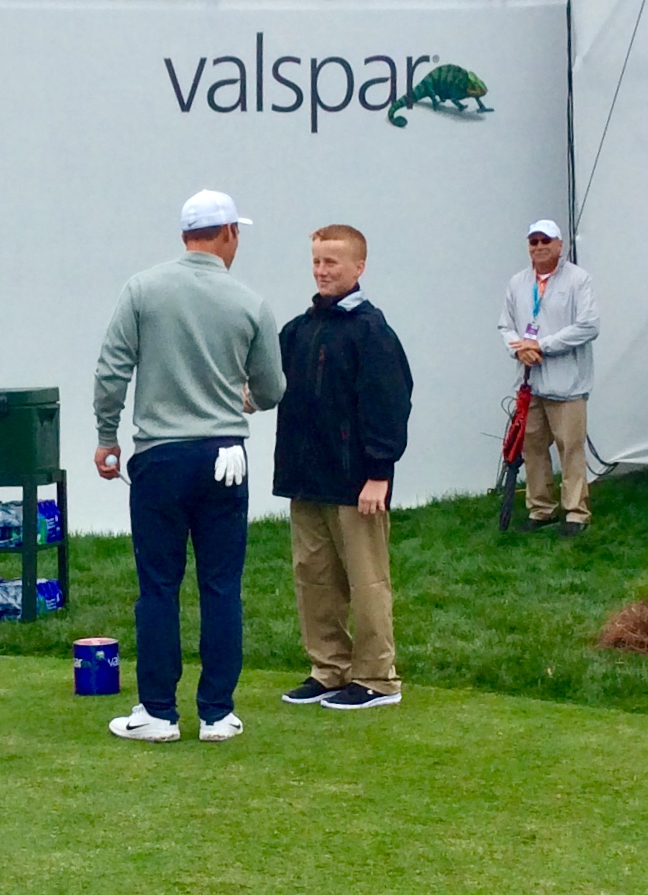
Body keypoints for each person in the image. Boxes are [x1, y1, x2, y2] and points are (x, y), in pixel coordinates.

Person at [93, 189, 285, 743]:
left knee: (158, 586)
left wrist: (106, 436)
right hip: (225, 453)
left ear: (185, 235)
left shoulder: (143, 289)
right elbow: (272, 388)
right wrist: (245, 399)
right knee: (222, 585)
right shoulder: (249, 301)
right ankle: (217, 713)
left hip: (159, 454)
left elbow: (111, 370)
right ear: (229, 233)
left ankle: (157, 711)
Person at [274, 225, 413, 710]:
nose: (321, 270)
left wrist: (379, 473)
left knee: (366, 580)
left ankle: (376, 677)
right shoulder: (299, 329)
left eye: (331, 262)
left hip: (357, 483)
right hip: (306, 479)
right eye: (316, 260)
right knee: (313, 577)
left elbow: (389, 403)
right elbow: (269, 382)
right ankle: (329, 668)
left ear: (359, 267)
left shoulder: (371, 331)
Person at [497, 219, 600, 537]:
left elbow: (588, 326)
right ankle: (541, 509)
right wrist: (520, 350)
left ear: (559, 245)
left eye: (546, 240)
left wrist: (542, 346)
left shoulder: (578, 279)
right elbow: (505, 326)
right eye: (534, 241)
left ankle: (576, 512)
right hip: (530, 383)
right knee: (532, 448)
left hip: (568, 384)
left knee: (570, 448)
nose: (539, 246)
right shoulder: (518, 282)